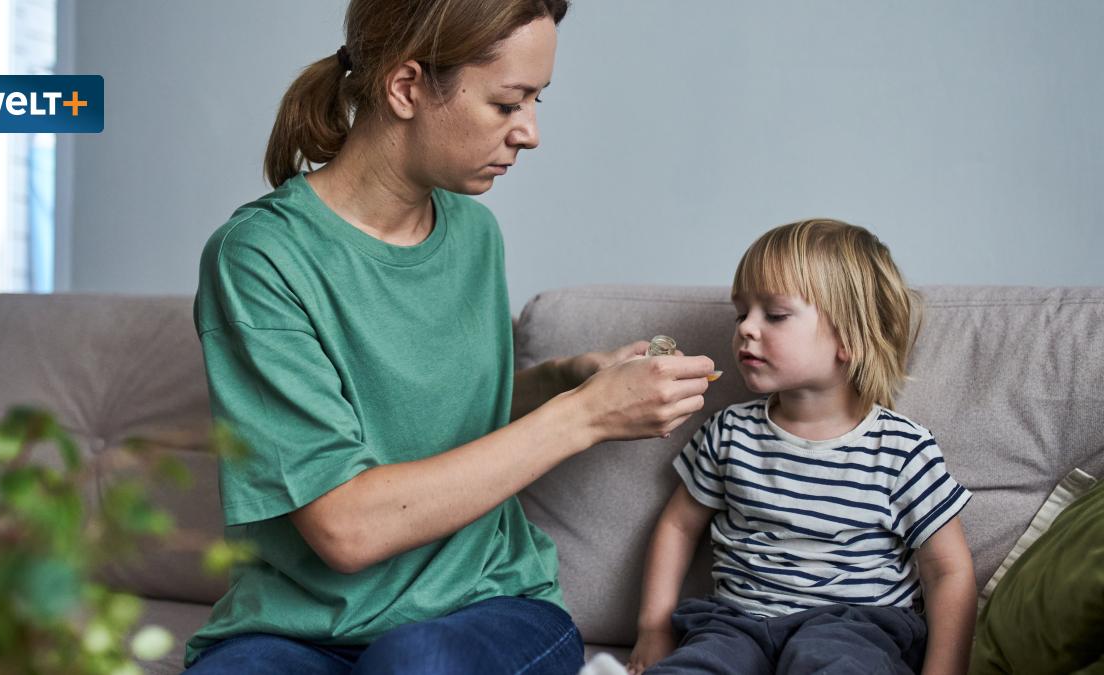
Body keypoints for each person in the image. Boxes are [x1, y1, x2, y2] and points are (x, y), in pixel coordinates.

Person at [183, 1, 718, 673]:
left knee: (416, 662)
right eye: (507, 104)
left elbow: (432, 414)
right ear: (406, 88)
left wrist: (564, 380)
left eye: (536, 101)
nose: (530, 133)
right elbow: (346, 527)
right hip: (295, 626)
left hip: (487, 605)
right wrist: (584, 415)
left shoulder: (473, 233)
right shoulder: (260, 257)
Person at [625, 220, 977, 675]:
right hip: (735, 625)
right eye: (741, 313)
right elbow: (677, 527)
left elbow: (948, 572)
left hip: (853, 629)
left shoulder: (902, 449)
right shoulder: (729, 432)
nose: (746, 329)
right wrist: (653, 629)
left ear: (850, 338)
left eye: (774, 314)